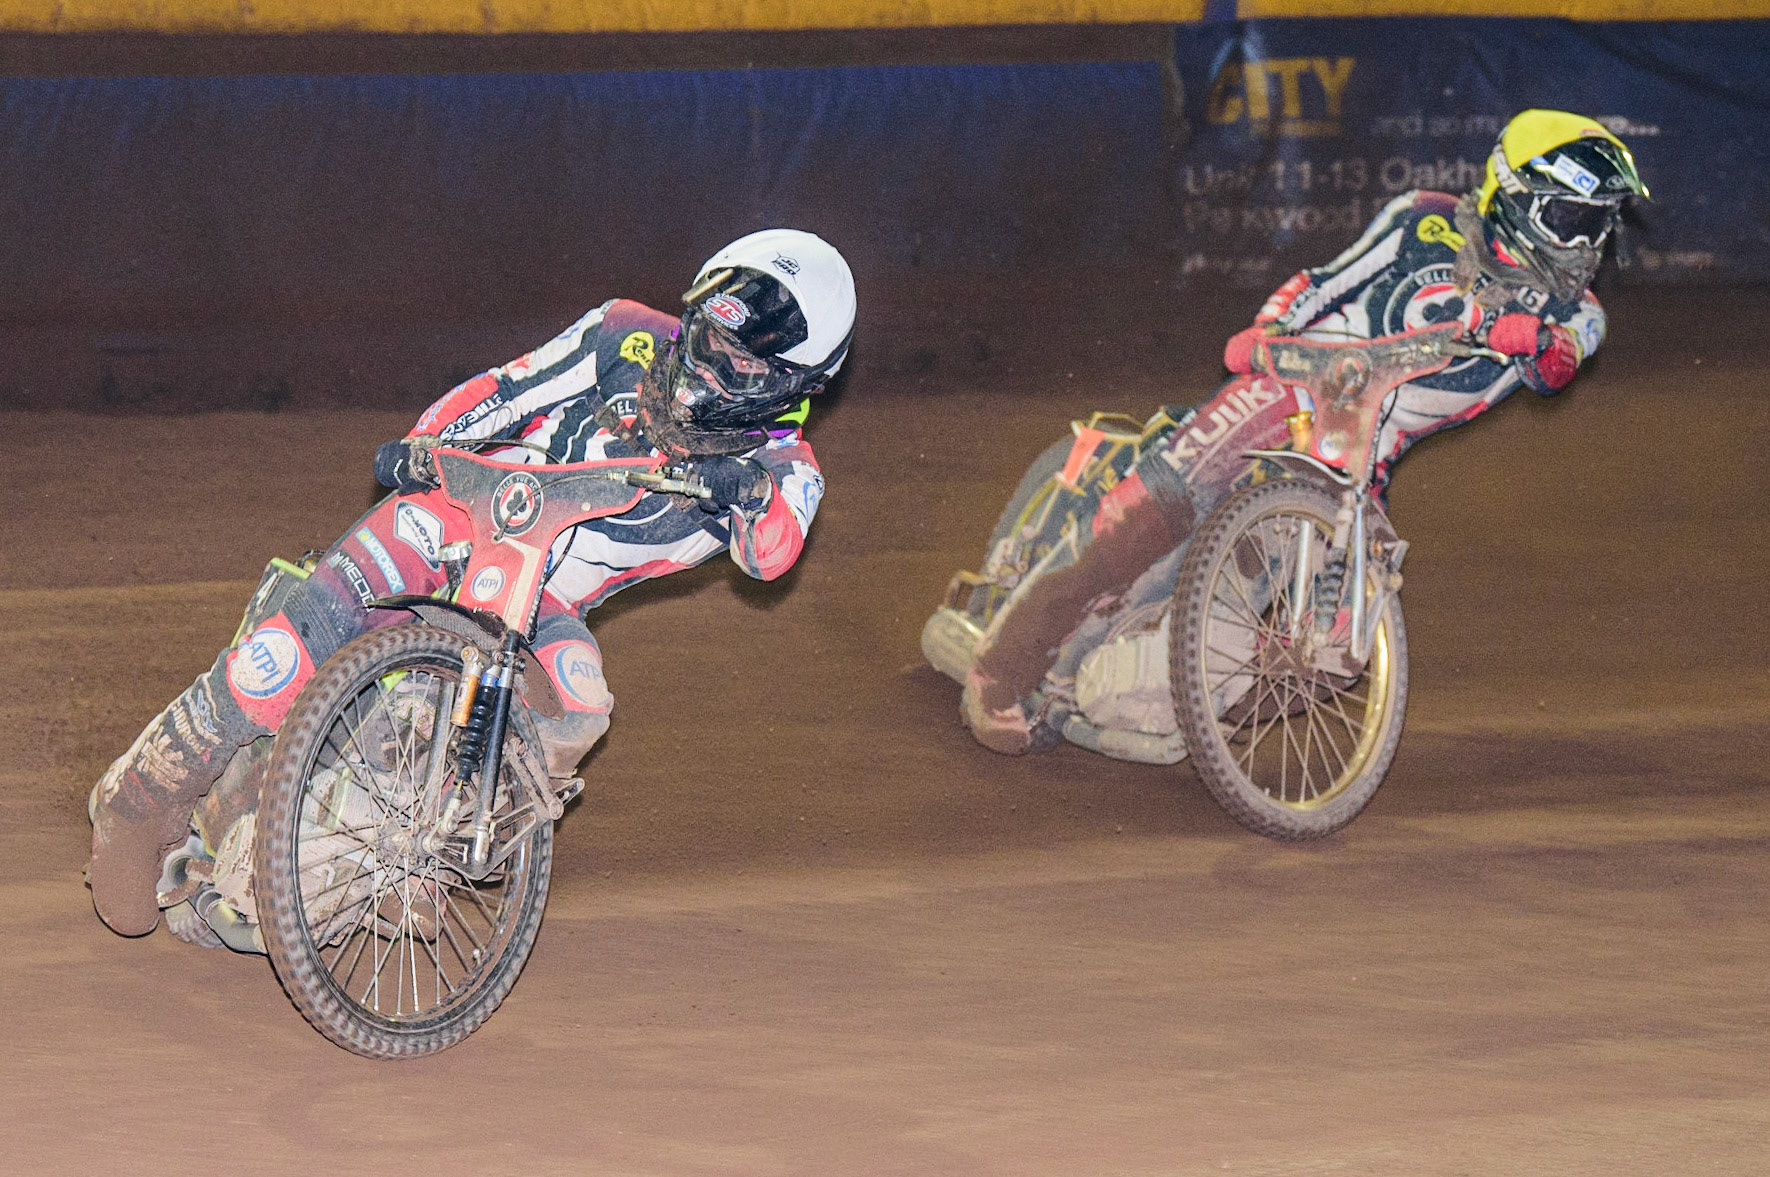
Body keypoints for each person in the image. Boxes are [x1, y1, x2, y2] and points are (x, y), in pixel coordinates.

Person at [88, 228, 856, 936]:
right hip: (465, 514)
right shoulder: (625, 333)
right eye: (706, 334)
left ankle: (420, 849)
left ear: (794, 382)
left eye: (739, 360)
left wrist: (746, 491)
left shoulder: (782, 468)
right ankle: (145, 793)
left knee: (580, 708)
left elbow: (772, 553)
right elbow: (506, 388)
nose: (708, 361)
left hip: (542, 605)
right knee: (291, 650)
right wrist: (427, 447)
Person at [963, 109, 1645, 753]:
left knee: (1337, 649)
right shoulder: (1425, 221)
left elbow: (1560, 362)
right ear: (1516, 196)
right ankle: (1002, 667)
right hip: (1299, 379)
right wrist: (1267, 329)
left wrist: (1535, 339)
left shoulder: (1579, 312)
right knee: (1155, 507)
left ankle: (1168, 695)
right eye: (1571, 218)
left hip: (1363, 452)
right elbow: (1325, 279)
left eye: (1600, 225)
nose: (1587, 244)